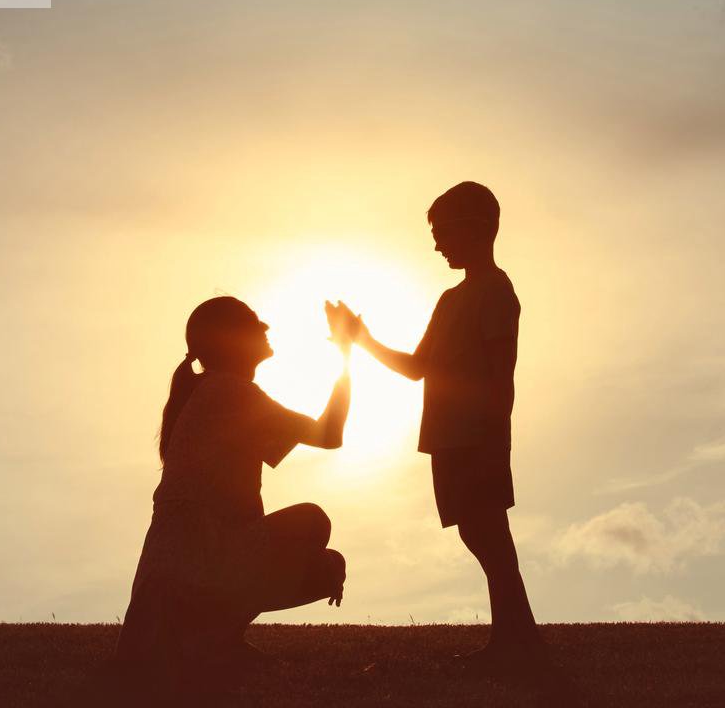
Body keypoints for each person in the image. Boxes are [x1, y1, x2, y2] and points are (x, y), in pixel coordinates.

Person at [330, 181, 544, 671]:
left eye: (443, 232)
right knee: (478, 533)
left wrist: (493, 435)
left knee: (488, 535)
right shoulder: (450, 300)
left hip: (477, 437)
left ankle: (518, 642)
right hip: (449, 437)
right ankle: (515, 639)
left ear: (475, 229)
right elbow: (416, 367)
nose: (437, 244)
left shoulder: (495, 291)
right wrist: (360, 339)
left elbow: (500, 371)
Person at [115, 296, 352, 684]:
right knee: (312, 522)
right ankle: (208, 643)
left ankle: (218, 639)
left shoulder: (218, 393)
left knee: (326, 567)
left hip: (190, 572)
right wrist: (346, 357)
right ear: (231, 340)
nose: (266, 328)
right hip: (191, 572)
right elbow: (329, 435)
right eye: (255, 323)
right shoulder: (231, 392)